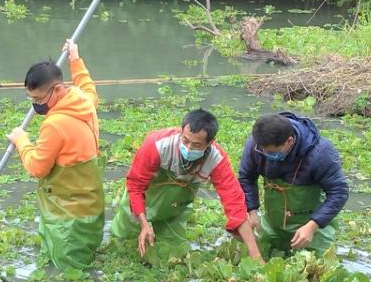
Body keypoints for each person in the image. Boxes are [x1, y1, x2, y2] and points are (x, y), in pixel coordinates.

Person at [111, 109, 262, 264]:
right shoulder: (156, 145)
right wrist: (144, 223)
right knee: (121, 243)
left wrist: (255, 254)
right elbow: (135, 185)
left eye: (196, 145)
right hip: (145, 197)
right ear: (181, 132)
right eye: (185, 141)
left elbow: (234, 203)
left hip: (174, 207)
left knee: (172, 256)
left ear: (210, 142)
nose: (189, 148)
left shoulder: (217, 160)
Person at [7, 39, 105, 271]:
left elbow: (37, 168)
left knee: (67, 270)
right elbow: (89, 87)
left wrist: (22, 141)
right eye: (31, 100)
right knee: (82, 258)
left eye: (39, 99)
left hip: (67, 212)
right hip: (90, 205)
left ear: (58, 89)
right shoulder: (83, 101)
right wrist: (75, 59)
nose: (36, 106)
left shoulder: (55, 125)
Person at [237, 112, 349, 256]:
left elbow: (339, 192)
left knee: (314, 270)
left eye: (272, 152)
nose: (266, 154)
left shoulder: (321, 153)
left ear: (289, 141)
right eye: (263, 150)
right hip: (274, 225)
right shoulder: (257, 144)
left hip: (313, 228)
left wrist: (312, 226)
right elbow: (246, 177)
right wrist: (251, 211)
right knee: (262, 261)